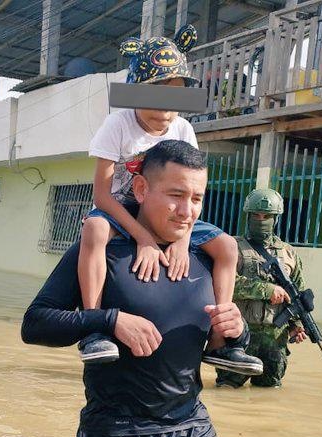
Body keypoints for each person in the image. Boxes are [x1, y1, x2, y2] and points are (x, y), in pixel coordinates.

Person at [22, 140, 248, 437]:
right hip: (114, 436)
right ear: (141, 190)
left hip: (190, 431)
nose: (187, 211)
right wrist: (109, 320)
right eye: (176, 195)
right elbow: (35, 325)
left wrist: (235, 328)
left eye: (197, 198)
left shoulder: (208, 255)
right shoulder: (104, 248)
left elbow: (218, 342)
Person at [76, 25, 262, 377]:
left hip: (168, 214)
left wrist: (182, 240)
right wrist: (143, 237)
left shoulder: (183, 130)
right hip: (123, 209)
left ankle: (222, 341)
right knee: (94, 230)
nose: (165, 109)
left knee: (226, 248)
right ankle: (94, 328)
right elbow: (101, 194)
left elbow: (189, 190)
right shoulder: (116, 125)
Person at [216, 188, 308, 390]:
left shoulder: (288, 253)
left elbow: (297, 294)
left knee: (268, 393)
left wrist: (297, 324)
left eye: (266, 216)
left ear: (275, 218)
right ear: (248, 216)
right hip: (239, 337)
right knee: (227, 390)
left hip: (275, 340)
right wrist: (266, 289)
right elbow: (224, 283)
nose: (261, 219)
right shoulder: (232, 246)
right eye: (256, 215)